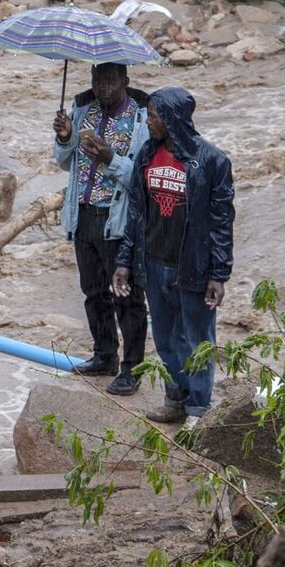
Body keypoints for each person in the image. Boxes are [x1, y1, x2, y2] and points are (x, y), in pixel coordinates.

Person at [112, 86, 235, 426]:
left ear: (172, 118)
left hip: (193, 267)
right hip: (153, 264)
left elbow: (222, 222)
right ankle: (175, 400)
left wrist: (219, 274)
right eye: (149, 114)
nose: (148, 121)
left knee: (197, 341)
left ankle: (198, 409)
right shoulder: (147, 155)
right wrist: (124, 261)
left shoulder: (211, 161)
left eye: (153, 115)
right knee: (166, 339)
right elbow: (136, 213)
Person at [53, 62, 150, 396]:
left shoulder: (141, 119)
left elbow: (143, 178)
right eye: (97, 81)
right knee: (93, 292)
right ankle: (104, 355)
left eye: (109, 81)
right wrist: (65, 137)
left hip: (118, 220)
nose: (102, 87)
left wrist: (111, 158)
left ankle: (132, 368)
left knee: (128, 297)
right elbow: (67, 162)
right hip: (83, 213)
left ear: (124, 81)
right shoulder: (84, 111)